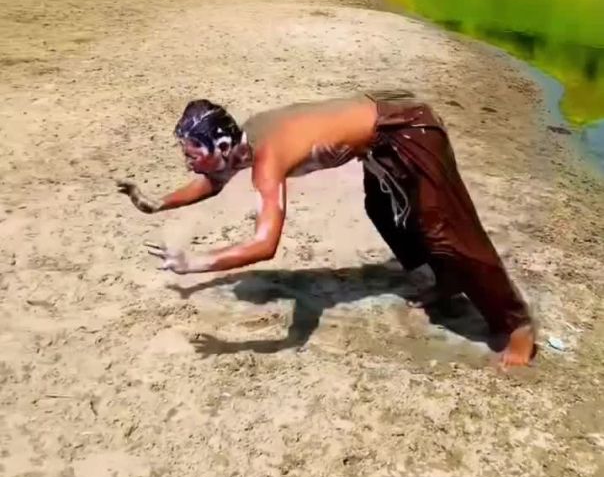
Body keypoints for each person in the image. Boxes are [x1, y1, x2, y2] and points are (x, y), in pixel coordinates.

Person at [118, 90, 536, 368]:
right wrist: (158, 203)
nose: (188, 161)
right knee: (383, 209)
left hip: (407, 128)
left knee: (446, 227)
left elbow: (265, 245)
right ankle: (447, 279)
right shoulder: (242, 143)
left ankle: (516, 323)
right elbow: (213, 181)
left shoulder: (267, 159)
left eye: (192, 153)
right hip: (380, 136)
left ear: (222, 147)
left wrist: (194, 264)